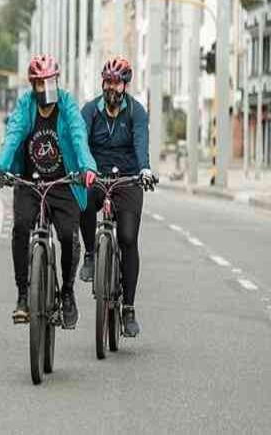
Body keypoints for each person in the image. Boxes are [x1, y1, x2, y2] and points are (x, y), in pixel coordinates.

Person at [0, 54, 97, 329]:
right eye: (40, 84)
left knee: (68, 237)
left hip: (63, 182)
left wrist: (87, 167)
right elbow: (13, 136)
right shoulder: (25, 105)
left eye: (51, 82)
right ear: (33, 85)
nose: (46, 89)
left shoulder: (67, 104)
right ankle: (23, 296)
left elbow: (78, 136)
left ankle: (68, 292)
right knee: (22, 226)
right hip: (30, 182)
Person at [79, 57, 154, 338]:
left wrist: (144, 168)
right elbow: (80, 140)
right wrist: (81, 167)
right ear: (102, 82)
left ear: (125, 85)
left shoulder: (136, 112)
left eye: (117, 82)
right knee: (82, 200)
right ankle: (89, 254)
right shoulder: (90, 110)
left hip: (128, 178)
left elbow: (140, 141)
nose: (112, 87)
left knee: (127, 238)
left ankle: (129, 308)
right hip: (96, 176)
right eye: (108, 81)